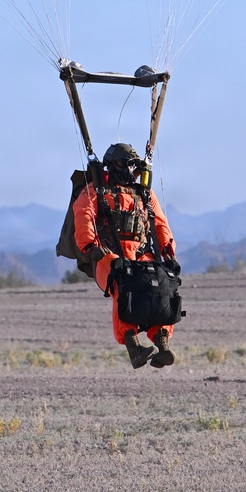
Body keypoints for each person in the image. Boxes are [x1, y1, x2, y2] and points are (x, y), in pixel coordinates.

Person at [73, 142, 180, 369]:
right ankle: (133, 346)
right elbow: (83, 217)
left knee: (161, 283)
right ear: (112, 166)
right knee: (123, 283)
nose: (129, 169)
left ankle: (162, 343)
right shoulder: (94, 191)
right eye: (124, 164)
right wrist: (92, 248)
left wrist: (168, 253)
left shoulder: (144, 194)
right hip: (106, 256)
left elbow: (160, 224)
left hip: (141, 254)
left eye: (132, 165)